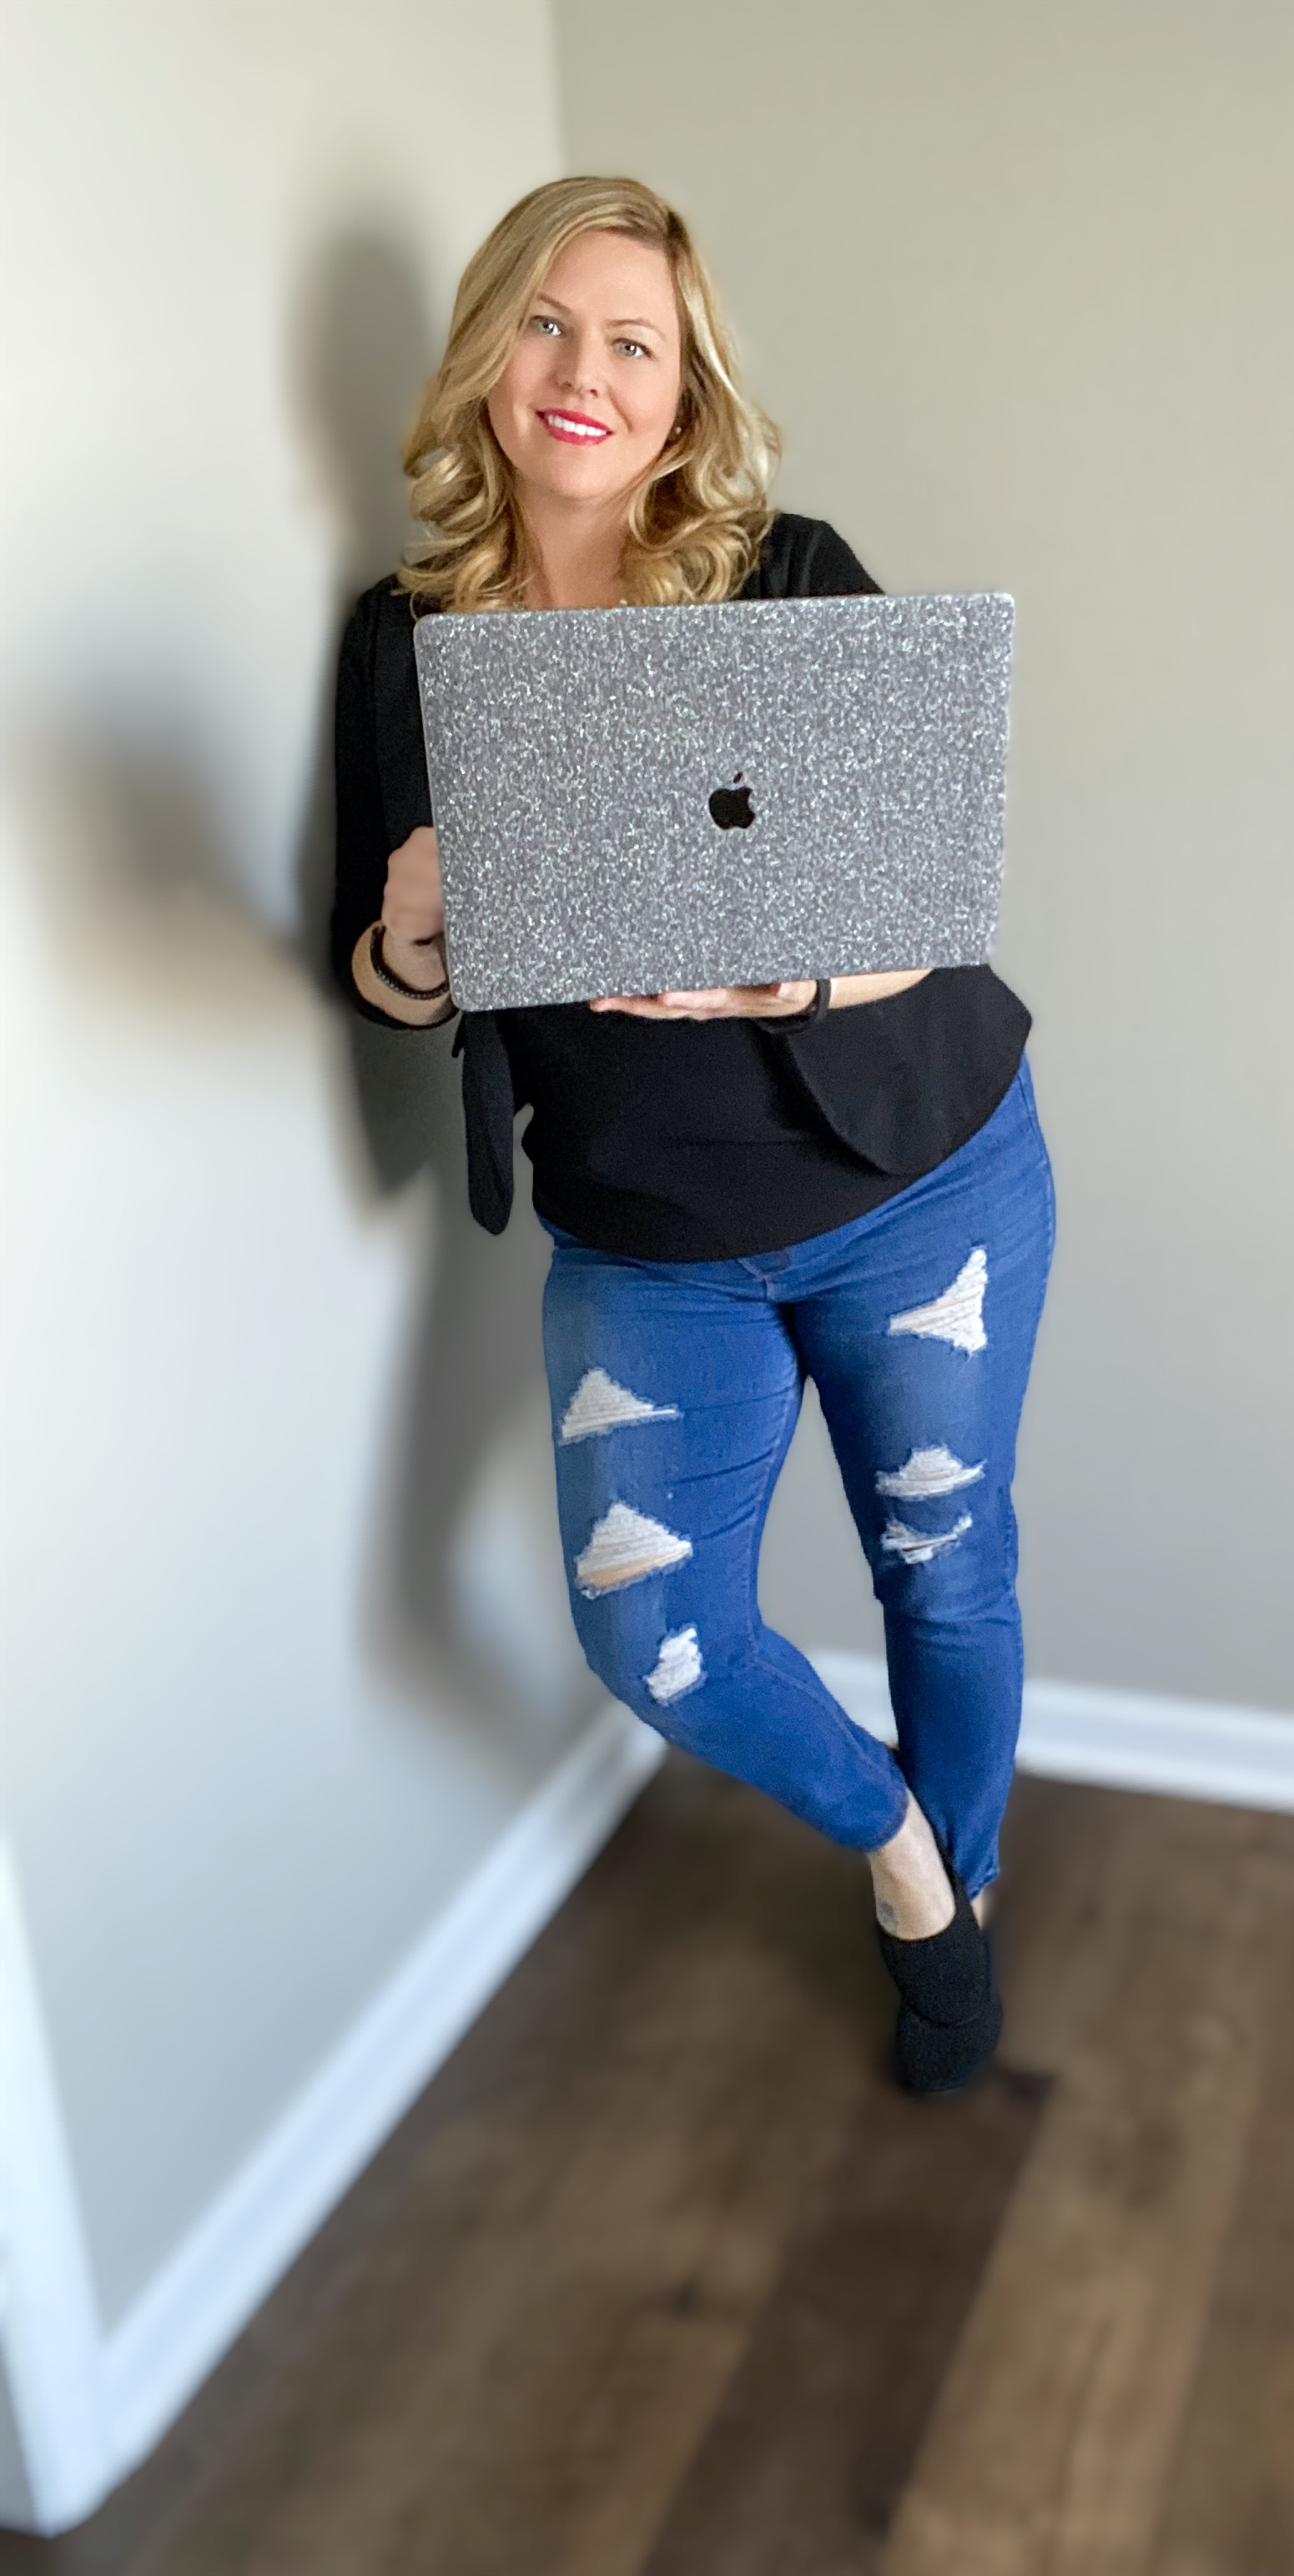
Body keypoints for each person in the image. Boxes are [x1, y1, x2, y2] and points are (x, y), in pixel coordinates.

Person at [330, 176, 1053, 2095]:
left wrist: (774, 980)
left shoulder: (783, 575)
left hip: (918, 1176)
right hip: (649, 1234)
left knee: (945, 1572)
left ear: (682, 388)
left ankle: (963, 1897)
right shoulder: (403, 644)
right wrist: (407, 938)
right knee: (654, 1629)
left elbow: (930, 896)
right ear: (488, 348)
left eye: (632, 341)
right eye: (547, 322)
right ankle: (902, 1846)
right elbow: (380, 975)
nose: (583, 371)